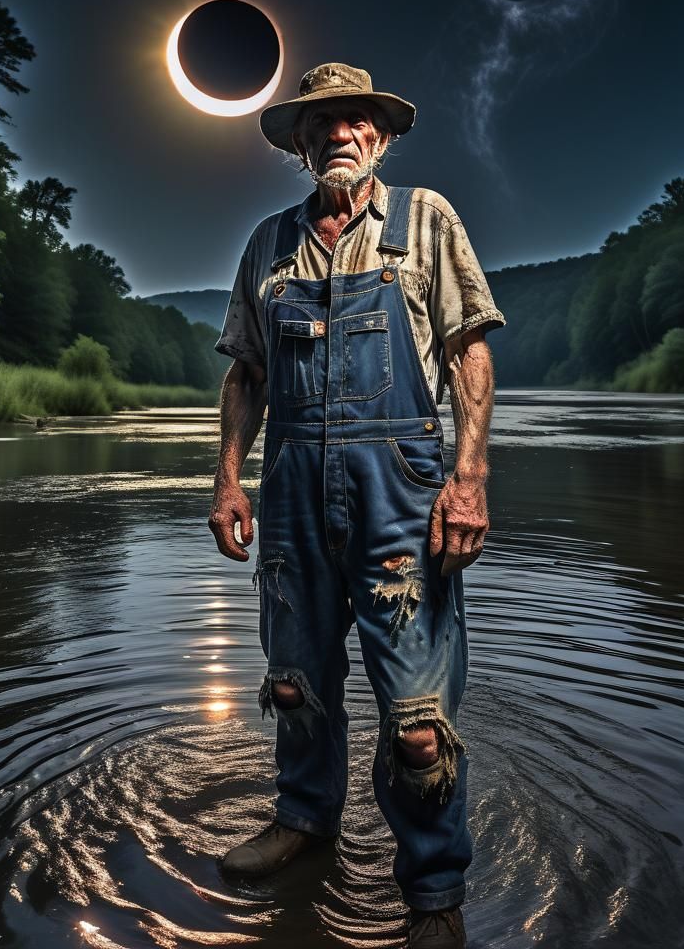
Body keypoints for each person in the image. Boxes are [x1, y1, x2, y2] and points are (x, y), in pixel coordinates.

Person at [208, 62, 505, 949]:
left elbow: (468, 354)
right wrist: (227, 479)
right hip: (294, 489)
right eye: (319, 123)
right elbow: (247, 373)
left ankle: (435, 891)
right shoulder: (268, 244)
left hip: (402, 494)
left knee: (417, 725)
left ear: (379, 135)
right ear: (299, 145)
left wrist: (469, 478)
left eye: (354, 120)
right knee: (295, 686)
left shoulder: (425, 221)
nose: (338, 133)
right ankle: (307, 822)